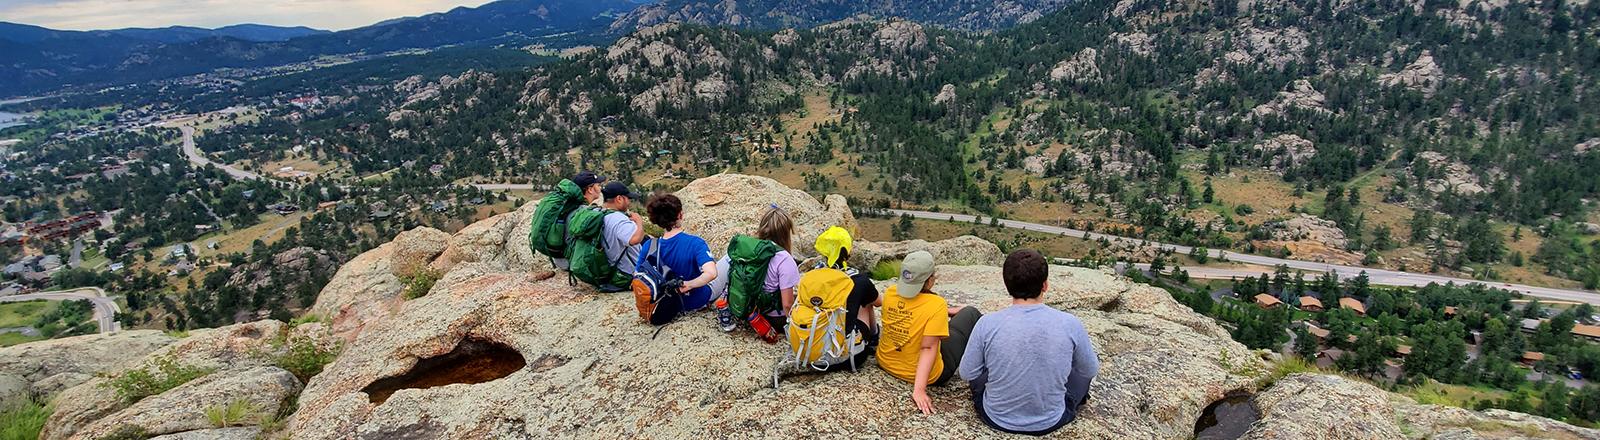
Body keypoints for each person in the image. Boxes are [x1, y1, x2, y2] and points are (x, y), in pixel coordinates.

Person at [959, 249, 1099, 436]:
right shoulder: (1069, 323)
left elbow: (967, 372)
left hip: (995, 417)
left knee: (982, 372)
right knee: (1082, 374)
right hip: (1051, 420)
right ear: (1045, 285)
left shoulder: (987, 323)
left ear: (1007, 285)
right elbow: (1089, 370)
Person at [875, 250, 982, 415]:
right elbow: (928, 348)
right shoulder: (936, 304)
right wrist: (919, 390)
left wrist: (947, 310)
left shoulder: (890, 293)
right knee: (970, 313)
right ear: (930, 280)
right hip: (931, 374)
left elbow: (913, 309)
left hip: (886, 362)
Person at [710, 206, 801, 334]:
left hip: (749, 309)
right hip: (772, 319)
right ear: (786, 232)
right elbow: (787, 304)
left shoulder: (750, 249)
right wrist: (794, 328)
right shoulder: (784, 259)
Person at [638, 193, 717, 312]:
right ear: (680, 215)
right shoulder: (695, 243)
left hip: (666, 304)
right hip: (696, 300)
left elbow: (637, 274)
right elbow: (711, 273)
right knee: (729, 260)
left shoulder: (649, 246)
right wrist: (689, 284)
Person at [812, 227, 879, 342]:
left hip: (815, 345)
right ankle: (874, 338)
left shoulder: (813, 276)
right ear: (848, 252)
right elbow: (879, 302)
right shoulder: (859, 279)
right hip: (848, 354)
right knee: (866, 303)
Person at [599, 182, 645, 275]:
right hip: (627, 272)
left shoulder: (600, 213)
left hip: (611, 269)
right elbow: (635, 239)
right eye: (628, 198)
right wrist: (639, 221)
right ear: (619, 199)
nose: (629, 202)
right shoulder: (618, 219)